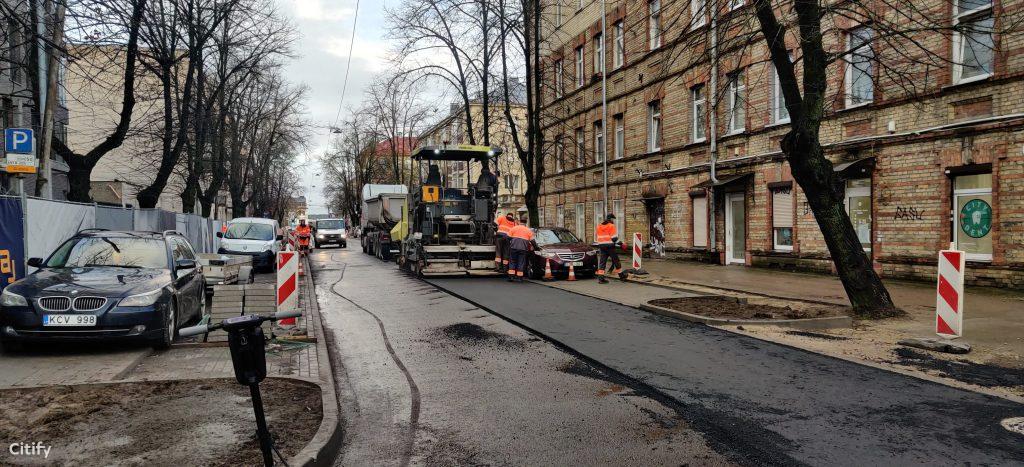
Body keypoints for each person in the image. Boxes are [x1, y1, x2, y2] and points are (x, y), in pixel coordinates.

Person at [595, 213, 623, 284]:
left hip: (601, 246)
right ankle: (621, 275)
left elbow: (598, 237)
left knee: (602, 262)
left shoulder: (599, 226)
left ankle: (600, 279)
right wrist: (621, 244)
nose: (613, 221)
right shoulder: (611, 226)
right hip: (610, 247)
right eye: (613, 219)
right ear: (610, 219)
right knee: (616, 260)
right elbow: (614, 238)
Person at [507, 218, 536, 282]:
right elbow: (533, 241)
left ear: (519, 222)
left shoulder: (514, 228)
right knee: (521, 262)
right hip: (523, 249)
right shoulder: (528, 230)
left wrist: (510, 243)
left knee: (512, 261)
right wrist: (536, 247)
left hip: (513, 247)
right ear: (526, 222)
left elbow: (508, 237)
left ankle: (511, 277)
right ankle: (519, 277)